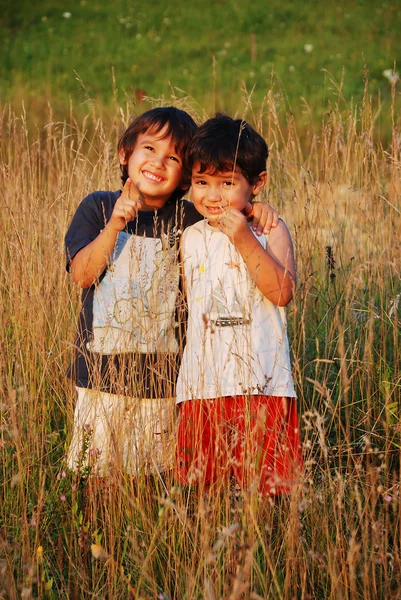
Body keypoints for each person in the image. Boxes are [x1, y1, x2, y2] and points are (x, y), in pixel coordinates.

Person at [64, 106, 278, 478]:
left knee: (151, 477)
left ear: (185, 177)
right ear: (124, 153)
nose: (158, 163)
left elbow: (226, 201)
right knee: (94, 474)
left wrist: (257, 208)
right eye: (148, 149)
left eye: (173, 158)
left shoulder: (189, 218)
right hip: (99, 375)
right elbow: (83, 275)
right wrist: (115, 225)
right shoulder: (97, 206)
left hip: (162, 379)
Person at [175, 114, 302, 496]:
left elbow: (282, 293)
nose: (212, 195)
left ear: (256, 183)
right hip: (202, 385)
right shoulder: (189, 236)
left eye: (227, 183)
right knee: (203, 491)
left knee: (269, 492)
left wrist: (245, 234)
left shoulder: (270, 229)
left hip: (264, 382)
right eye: (201, 182)